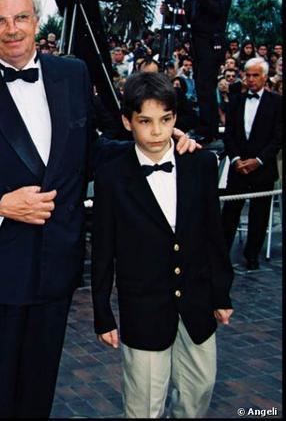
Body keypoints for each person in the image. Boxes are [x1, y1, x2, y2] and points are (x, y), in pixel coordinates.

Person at [0, 0, 198, 418]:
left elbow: (94, 150)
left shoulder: (72, 74)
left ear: (37, 20)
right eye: (0, 21)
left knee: (40, 390)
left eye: (21, 17)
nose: (12, 29)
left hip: (57, 263)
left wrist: (161, 141)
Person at [92, 71, 234, 418]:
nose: (156, 131)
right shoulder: (112, 176)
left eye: (165, 120)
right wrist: (102, 313)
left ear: (175, 119)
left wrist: (221, 294)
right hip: (144, 310)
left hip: (197, 305)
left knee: (199, 391)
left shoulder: (199, 163)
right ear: (128, 122)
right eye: (145, 121)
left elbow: (214, 236)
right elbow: (103, 250)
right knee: (144, 406)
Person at [220, 58, 282, 270]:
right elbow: (228, 135)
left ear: (265, 77)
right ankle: (220, 254)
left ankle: (252, 255)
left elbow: (278, 138)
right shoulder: (235, 101)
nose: (251, 79)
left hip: (262, 168)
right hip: (238, 167)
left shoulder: (277, 102)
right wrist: (236, 160)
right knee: (229, 212)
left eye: (255, 75)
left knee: (259, 215)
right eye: (248, 75)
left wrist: (258, 161)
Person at [52, 0, 122, 122]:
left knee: (105, 85)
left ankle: (115, 123)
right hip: (76, 46)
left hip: (96, 41)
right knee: (80, 87)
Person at [183, 0, 232, 143]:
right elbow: (190, 16)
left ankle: (209, 129)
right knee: (200, 87)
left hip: (212, 46)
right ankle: (204, 125)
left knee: (207, 86)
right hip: (197, 47)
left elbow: (218, 11)